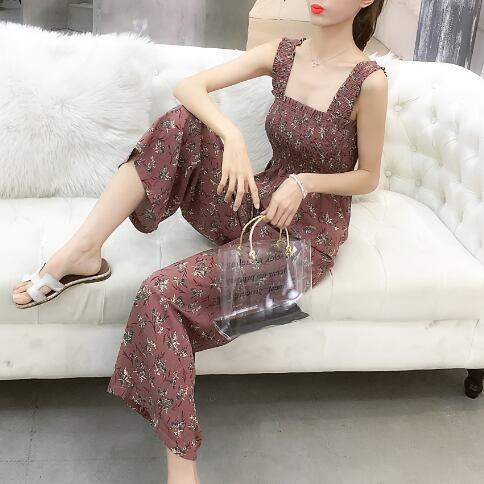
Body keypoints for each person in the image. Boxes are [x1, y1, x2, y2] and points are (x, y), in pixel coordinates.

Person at [11, 0, 388, 482]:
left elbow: (369, 175)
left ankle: (182, 474)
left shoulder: (369, 81)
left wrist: (306, 182)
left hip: (300, 242)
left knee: (160, 294)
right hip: (254, 204)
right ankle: (81, 251)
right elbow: (188, 87)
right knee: (182, 121)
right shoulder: (284, 54)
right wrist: (232, 136)